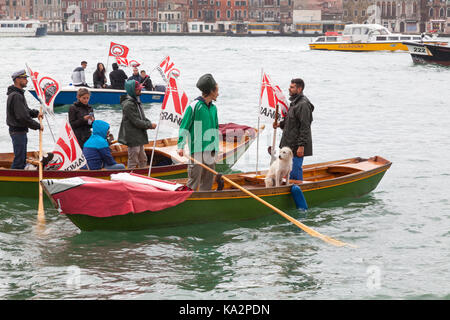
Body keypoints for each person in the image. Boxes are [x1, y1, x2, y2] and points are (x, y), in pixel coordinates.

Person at [177, 73, 220, 191]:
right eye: (217, 90)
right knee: (194, 180)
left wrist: (216, 148)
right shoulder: (194, 106)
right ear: (211, 91)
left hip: (210, 150)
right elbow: (184, 126)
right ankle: (188, 201)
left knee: (208, 180)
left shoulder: (214, 108)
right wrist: (180, 146)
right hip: (197, 151)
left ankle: (204, 203)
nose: (218, 93)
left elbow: (215, 129)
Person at [273, 78, 314, 181]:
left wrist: (301, 146)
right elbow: (291, 121)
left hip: (296, 146)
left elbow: (305, 127)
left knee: (295, 171)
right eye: (290, 86)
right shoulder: (294, 102)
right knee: (286, 171)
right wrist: (279, 124)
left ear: (299, 89)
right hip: (288, 144)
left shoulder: (303, 104)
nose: (289, 89)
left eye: (292, 87)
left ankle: (298, 190)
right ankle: (286, 190)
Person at [6, 69, 43, 169]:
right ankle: (14, 180)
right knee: (19, 160)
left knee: (21, 158)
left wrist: (36, 113)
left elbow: (25, 111)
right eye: (24, 78)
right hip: (17, 131)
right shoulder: (16, 96)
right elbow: (22, 117)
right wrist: (37, 126)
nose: (27, 80)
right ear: (17, 80)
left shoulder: (18, 94)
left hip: (20, 131)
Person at [118, 80, 157, 168]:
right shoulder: (128, 104)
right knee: (133, 160)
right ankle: (130, 175)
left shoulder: (136, 101)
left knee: (143, 159)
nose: (140, 91)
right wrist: (149, 125)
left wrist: (149, 123)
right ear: (132, 90)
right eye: (138, 89)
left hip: (139, 136)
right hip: (132, 137)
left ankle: (143, 174)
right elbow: (136, 121)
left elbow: (142, 117)